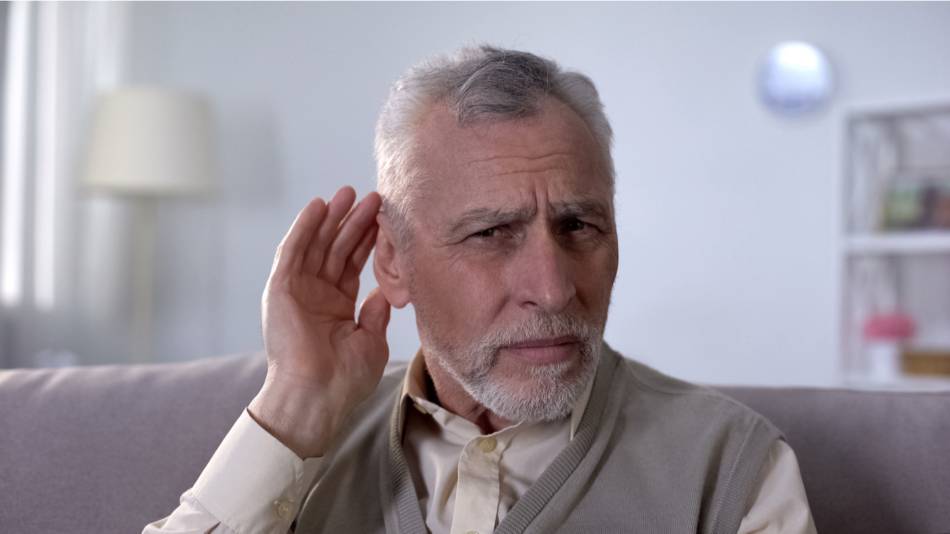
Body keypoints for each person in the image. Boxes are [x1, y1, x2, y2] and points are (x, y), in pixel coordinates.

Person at [146, 46, 816, 534]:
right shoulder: (300, 447)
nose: (553, 290)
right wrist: (294, 408)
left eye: (580, 225)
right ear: (392, 260)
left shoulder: (731, 466)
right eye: (492, 233)